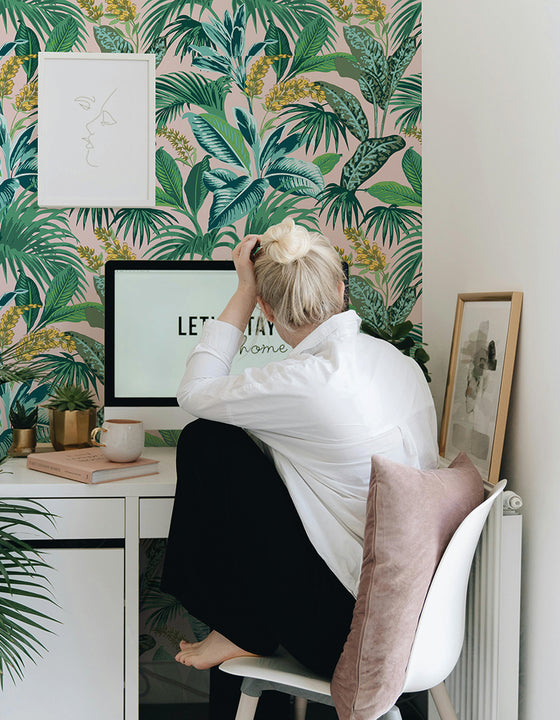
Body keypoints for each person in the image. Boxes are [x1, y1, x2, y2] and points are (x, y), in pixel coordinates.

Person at [160, 218, 438, 719]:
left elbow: (194, 395)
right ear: (341, 286)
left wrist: (243, 288)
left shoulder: (305, 379)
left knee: (208, 438)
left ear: (266, 311)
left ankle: (238, 626)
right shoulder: (397, 363)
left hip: (349, 632)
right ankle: (240, 625)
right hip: (425, 616)